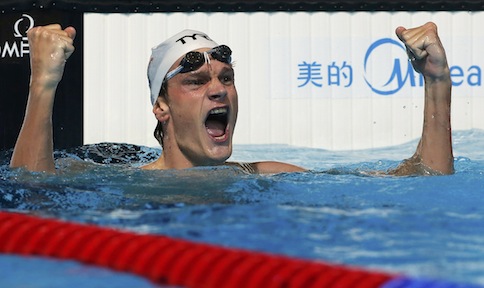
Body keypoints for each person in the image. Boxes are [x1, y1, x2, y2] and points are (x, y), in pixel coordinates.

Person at [10, 22, 454, 176]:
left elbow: (423, 179)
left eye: (225, 77)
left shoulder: (267, 175)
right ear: (160, 106)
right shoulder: (116, 181)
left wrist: (437, 83)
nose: (219, 89)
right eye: (197, 81)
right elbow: (32, 194)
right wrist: (42, 85)